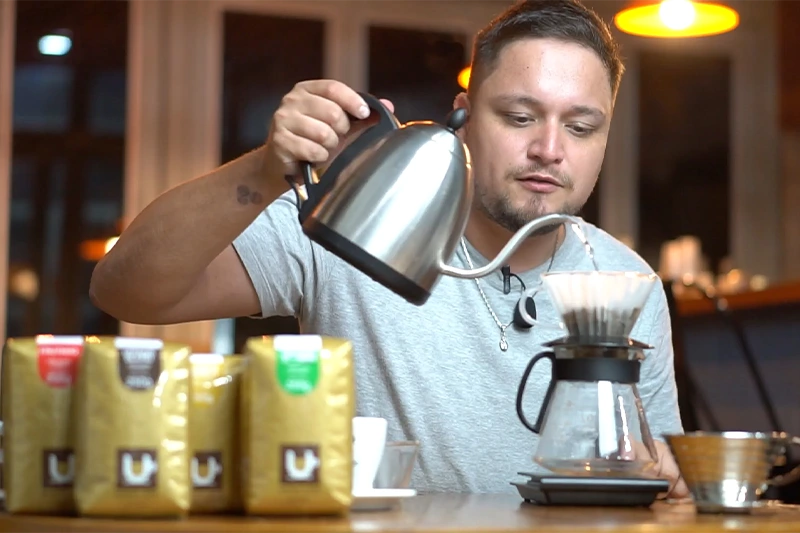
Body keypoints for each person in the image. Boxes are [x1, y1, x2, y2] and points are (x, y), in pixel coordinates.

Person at [90, 0, 688, 496]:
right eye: (519, 116)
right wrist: (268, 168)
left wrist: (670, 480)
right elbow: (124, 288)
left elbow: (664, 482)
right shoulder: (360, 227)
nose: (550, 149)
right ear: (465, 117)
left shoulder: (623, 282)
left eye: (582, 127)